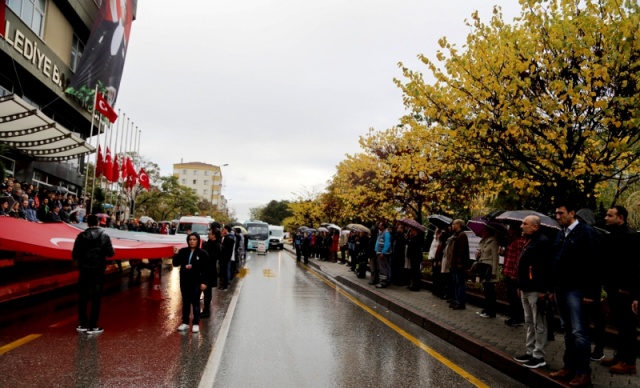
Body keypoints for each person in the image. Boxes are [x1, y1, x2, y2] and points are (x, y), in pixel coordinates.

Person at [549, 203, 599, 387]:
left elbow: (593, 263)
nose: (557, 216)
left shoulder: (586, 232)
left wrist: (590, 292)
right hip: (561, 288)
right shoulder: (561, 233)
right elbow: (555, 259)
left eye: (561, 213)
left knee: (579, 332)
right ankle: (568, 367)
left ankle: (583, 372)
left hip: (577, 289)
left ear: (572, 213)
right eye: (556, 213)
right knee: (568, 330)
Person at [597, 206, 638, 374]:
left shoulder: (630, 236)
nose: (606, 218)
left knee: (628, 326)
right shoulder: (614, 235)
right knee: (620, 324)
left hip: (625, 290)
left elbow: (635, 267)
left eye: (610, 215)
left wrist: (633, 292)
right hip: (614, 288)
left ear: (620, 218)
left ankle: (629, 362)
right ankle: (620, 356)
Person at [513, 215, 552, 369]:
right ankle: (530, 351)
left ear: (535, 227)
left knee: (538, 323)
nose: (522, 226)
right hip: (525, 288)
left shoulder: (542, 242)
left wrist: (543, 290)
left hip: (536, 289)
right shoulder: (529, 241)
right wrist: (520, 285)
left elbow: (544, 268)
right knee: (529, 322)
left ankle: (539, 355)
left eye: (525, 223)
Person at [72, 214, 115, 334]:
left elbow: (75, 255)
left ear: (87, 223)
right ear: (99, 222)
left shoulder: (80, 236)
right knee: (96, 298)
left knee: (83, 297)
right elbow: (111, 253)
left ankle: (82, 324)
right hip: (98, 270)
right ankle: (93, 325)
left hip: (84, 269)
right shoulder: (105, 236)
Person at [172, 232, 209, 333]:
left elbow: (206, 269)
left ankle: (196, 323)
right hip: (184, 281)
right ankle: (185, 322)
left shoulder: (203, 253)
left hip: (196, 282)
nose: (192, 241)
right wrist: (175, 254)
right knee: (185, 303)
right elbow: (175, 264)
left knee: (195, 303)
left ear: (198, 241)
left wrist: (204, 282)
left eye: (194, 239)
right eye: (190, 240)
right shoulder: (183, 251)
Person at [502, 226, 526, 327]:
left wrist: (514, 273)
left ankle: (519, 318)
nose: (508, 230)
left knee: (515, 297)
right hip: (508, 271)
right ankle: (513, 316)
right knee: (511, 296)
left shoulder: (520, 241)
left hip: (513, 274)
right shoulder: (512, 240)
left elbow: (518, 259)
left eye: (510, 228)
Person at [474, 228, 500, 318]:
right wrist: (478, 254)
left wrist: (494, 271)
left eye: (485, 231)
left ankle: (491, 312)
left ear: (489, 232)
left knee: (490, 291)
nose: (483, 232)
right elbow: (483, 253)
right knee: (486, 289)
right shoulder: (484, 241)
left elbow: (496, 257)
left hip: (489, 268)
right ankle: (486, 309)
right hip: (483, 267)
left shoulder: (493, 241)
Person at [447, 219, 469, 310]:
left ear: (459, 225)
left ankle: (461, 302)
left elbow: (461, 250)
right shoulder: (455, 235)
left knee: (460, 283)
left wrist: (460, 262)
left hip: (458, 264)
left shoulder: (462, 235)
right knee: (456, 282)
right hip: (454, 263)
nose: (452, 225)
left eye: (454, 224)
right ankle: (456, 300)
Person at [201, 227, 222, 318]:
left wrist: (205, 246)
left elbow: (210, 257)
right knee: (205, 291)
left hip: (210, 270)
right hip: (204, 269)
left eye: (210, 233)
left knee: (207, 292)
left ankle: (207, 311)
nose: (208, 234)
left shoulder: (216, 245)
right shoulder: (209, 243)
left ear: (214, 235)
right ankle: (205, 310)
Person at [375, 221, 393, 288]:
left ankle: (383, 282)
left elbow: (387, 244)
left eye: (380, 225)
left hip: (383, 254)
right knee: (383, 268)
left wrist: (383, 252)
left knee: (383, 269)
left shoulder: (386, 233)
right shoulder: (381, 233)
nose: (378, 226)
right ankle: (385, 281)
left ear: (383, 226)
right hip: (379, 253)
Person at [406, 225, 424, 291]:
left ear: (415, 231)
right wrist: (408, 239)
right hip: (412, 256)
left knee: (416, 271)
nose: (411, 232)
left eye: (412, 231)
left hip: (416, 257)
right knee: (413, 271)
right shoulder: (412, 237)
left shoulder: (418, 238)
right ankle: (413, 284)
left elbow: (416, 248)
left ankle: (416, 286)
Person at [219, 225, 235, 290]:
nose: (223, 230)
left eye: (224, 229)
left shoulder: (229, 238)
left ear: (226, 230)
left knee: (225, 271)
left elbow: (226, 248)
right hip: (224, 257)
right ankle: (223, 284)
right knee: (223, 271)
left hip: (226, 257)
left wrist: (221, 246)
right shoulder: (226, 237)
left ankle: (224, 285)